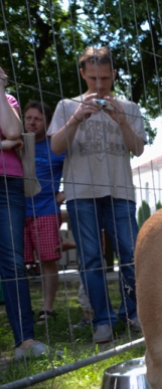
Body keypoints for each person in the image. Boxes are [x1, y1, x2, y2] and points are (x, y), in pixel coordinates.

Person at [48, 46, 146, 344]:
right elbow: (55, 148)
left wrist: (122, 121)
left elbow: (138, 148)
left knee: (131, 255)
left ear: (114, 74)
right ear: (82, 74)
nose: (100, 85)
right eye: (93, 79)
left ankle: (132, 313)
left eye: (105, 78)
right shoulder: (67, 106)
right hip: (81, 193)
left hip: (120, 191)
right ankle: (101, 321)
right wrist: (77, 118)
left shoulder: (129, 107)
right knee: (90, 259)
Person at [0, 65, 52, 359]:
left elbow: (11, 131)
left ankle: (25, 341)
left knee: (13, 263)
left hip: (8, 185)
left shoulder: (8, 101)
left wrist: (0, 88)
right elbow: (5, 138)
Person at [23, 101, 66, 324]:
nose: (32, 122)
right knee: (19, 263)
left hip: (46, 211)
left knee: (48, 260)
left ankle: (47, 309)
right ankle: (23, 308)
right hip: (17, 211)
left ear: (47, 123)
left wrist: (63, 194)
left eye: (37, 119)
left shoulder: (56, 146)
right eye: (28, 117)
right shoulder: (18, 142)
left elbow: (75, 169)